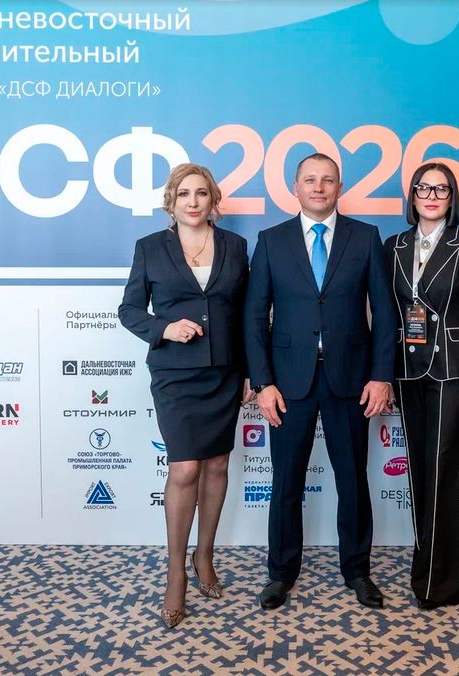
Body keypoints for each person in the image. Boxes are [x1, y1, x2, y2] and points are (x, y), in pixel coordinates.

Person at [244, 153, 396, 610]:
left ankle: (358, 571)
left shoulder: (365, 237)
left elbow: (384, 313)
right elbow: (254, 317)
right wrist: (262, 382)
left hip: (349, 379)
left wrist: (381, 376)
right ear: (295, 187)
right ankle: (280, 573)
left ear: (338, 188)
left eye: (327, 180)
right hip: (288, 383)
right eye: (310, 179)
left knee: (353, 480)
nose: (318, 187)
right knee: (286, 482)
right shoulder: (270, 241)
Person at [118, 163, 252, 628]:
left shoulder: (236, 246)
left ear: (213, 200)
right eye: (183, 194)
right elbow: (129, 309)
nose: (193, 202)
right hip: (175, 374)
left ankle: (204, 556)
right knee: (185, 468)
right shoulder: (150, 247)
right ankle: (175, 571)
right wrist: (164, 328)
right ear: (171, 202)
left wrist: (252, 374)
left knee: (217, 465)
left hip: (225, 372)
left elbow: (247, 314)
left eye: (201, 193)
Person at [383, 162, 459, 609]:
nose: (431, 196)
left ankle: (440, 582)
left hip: (454, 370)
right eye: (424, 188)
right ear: (412, 196)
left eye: (441, 189)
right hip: (408, 370)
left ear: (452, 198)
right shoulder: (394, 246)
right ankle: (427, 565)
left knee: (443, 471)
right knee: (419, 470)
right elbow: (387, 313)